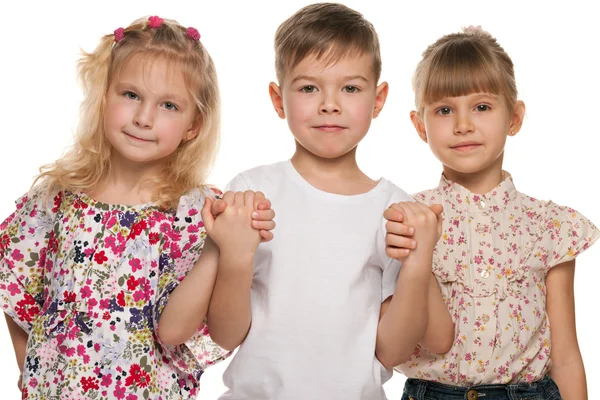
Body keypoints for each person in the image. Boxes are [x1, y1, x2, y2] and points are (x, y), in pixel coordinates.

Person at [0, 15, 273, 399]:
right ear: (104, 96)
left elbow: (176, 331)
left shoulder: (194, 214)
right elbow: (17, 290)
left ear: (194, 124)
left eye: (169, 105)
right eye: (130, 95)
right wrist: (28, 367)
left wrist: (219, 247)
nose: (144, 118)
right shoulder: (58, 198)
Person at [206, 4, 452, 399]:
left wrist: (419, 261)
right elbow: (225, 335)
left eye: (350, 88)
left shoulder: (395, 211)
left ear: (378, 98)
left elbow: (392, 351)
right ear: (278, 98)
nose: (329, 104)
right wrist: (235, 258)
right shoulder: (251, 192)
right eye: (308, 88)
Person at [385, 26, 599, 400]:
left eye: (482, 107)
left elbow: (565, 356)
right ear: (420, 126)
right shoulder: (408, 218)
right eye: (444, 110)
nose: (463, 124)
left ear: (514, 118)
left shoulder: (549, 226)